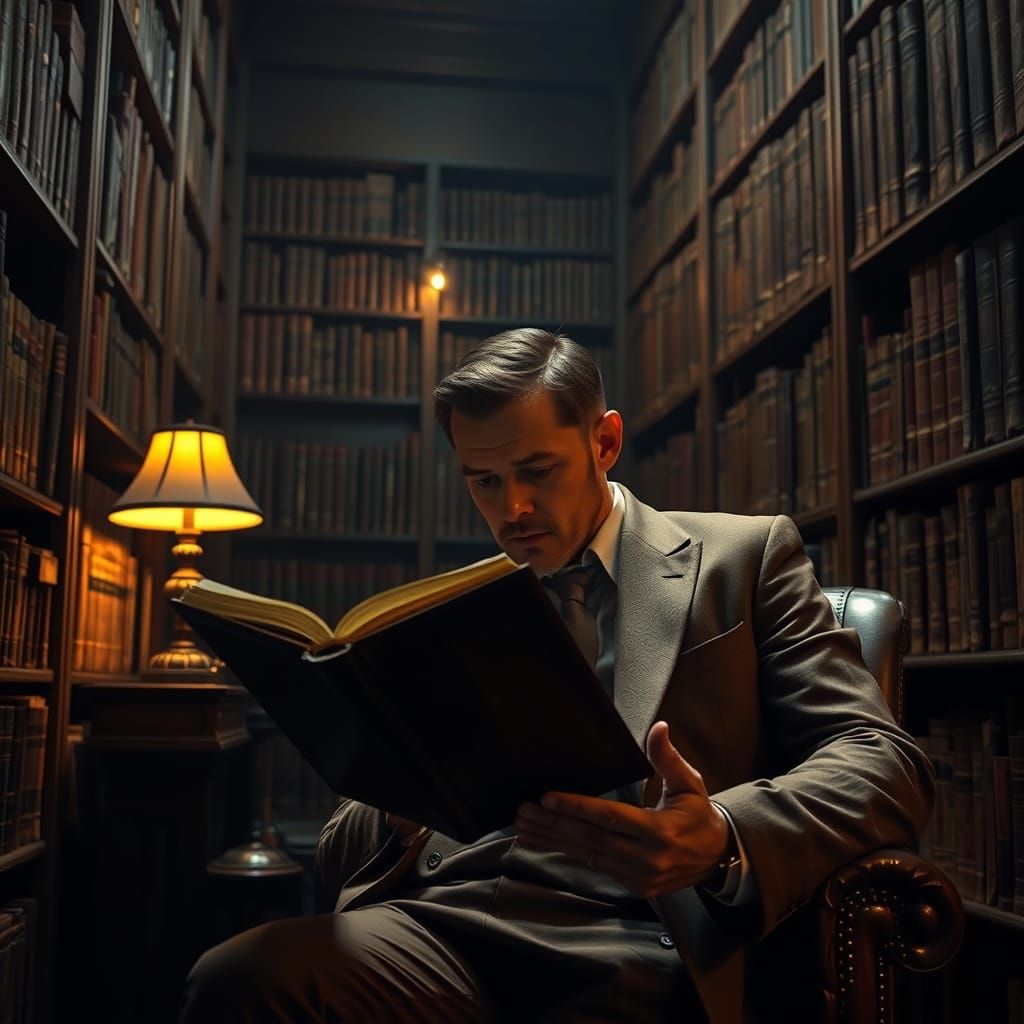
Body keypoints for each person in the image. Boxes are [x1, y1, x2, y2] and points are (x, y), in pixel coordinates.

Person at [180, 328, 934, 1023]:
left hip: (632, 937)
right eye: (483, 481)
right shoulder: (448, 614)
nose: (512, 509)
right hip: (443, 924)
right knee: (238, 974)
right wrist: (406, 798)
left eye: (537, 472)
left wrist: (719, 836)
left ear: (604, 442)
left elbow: (883, 762)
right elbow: (340, 853)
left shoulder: (744, 558)